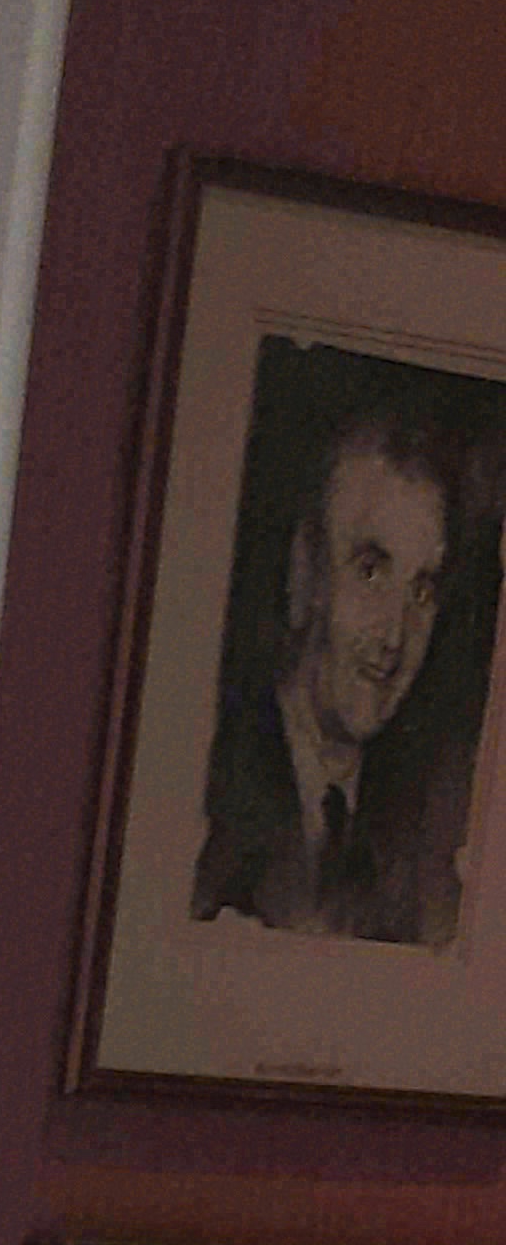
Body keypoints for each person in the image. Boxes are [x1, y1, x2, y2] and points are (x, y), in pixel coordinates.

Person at [193, 391, 475, 946]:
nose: (394, 637)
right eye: (371, 571)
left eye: (421, 592)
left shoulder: (424, 840)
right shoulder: (211, 788)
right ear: (306, 572)